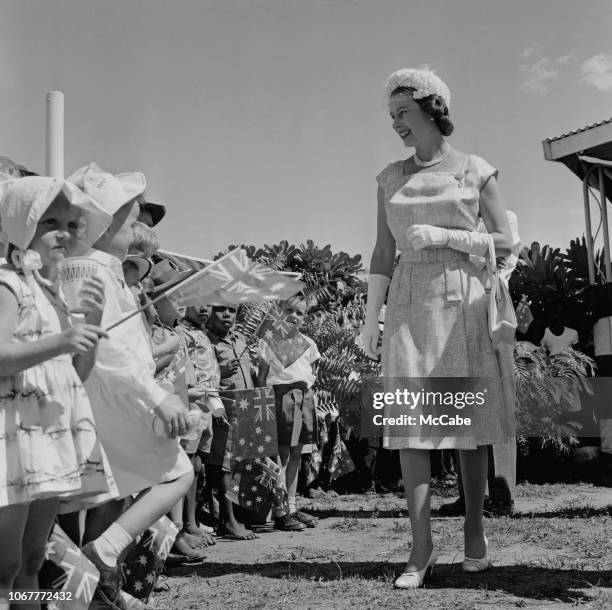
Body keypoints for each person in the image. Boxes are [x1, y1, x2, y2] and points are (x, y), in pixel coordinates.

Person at [361, 67, 514, 589]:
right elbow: (383, 252)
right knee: (409, 423)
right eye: (392, 116)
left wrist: (449, 239)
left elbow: (505, 242)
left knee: (464, 425)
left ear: (431, 109)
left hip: (463, 299)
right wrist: (369, 316)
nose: (397, 124)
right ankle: (420, 546)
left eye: (403, 113)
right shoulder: (389, 177)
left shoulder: (476, 170)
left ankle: (474, 530)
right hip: (407, 301)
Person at [68, 163, 194, 609]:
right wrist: (156, 395)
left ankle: (96, 590)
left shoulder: (93, 267)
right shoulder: (96, 271)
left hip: (104, 396)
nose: (139, 225)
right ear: (105, 224)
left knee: (109, 493)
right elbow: (112, 350)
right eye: (132, 217)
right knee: (178, 472)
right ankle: (99, 557)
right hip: (117, 397)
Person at [0, 177, 116, 609]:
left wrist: (90, 326)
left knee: (32, 557)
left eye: (71, 223)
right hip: (14, 441)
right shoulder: (9, 284)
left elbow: (75, 373)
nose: (63, 232)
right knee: (3, 565)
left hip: (48, 438)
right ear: (20, 223)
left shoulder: (55, 294)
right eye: (50, 220)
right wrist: (62, 341)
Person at [257, 295, 320, 531]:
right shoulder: (269, 341)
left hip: (303, 399)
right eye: (288, 310)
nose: (294, 316)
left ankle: (292, 506)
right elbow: (262, 376)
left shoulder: (309, 343)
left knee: (296, 454)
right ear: (278, 312)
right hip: (281, 399)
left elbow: (310, 374)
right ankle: (280, 510)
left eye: (300, 313)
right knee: (281, 457)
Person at [205, 304, 258, 540]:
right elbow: (205, 376)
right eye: (221, 309)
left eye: (233, 310)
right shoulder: (207, 342)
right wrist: (221, 372)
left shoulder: (240, 339)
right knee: (223, 466)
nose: (227, 315)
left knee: (240, 464)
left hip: (246, 406)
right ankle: (226, 520)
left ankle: (238, 515)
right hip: (223, 408)